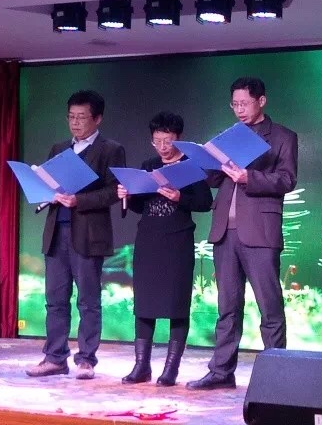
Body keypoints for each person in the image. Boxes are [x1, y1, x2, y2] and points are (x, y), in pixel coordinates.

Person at [186, 77, 298, 391]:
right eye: (234, 104)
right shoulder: (229, 137)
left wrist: (249, 176)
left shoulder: (283, 136)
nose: (239, 110)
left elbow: (287, 179)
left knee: (269, 306)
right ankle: (221, 372)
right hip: (225, 232)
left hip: (260, 231)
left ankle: (276, 376)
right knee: (227, 307)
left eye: (244, 103)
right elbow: (212, 180)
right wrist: (206, 162)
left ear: (261, 101)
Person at [26, 90, 126, 380]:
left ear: (98, 118)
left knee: (88, 300)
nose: (75, 123)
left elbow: (114, 191)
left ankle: (86, 360)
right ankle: (55, 357)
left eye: (82, 117)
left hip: (88, 233)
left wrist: (78, 200)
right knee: (55, 299)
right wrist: (47, 192)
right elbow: (48, 184)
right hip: (57, 232)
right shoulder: (59, 148)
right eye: (71, 117)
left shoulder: (110, 149)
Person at [118, 112, 213, 387]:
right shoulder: (149, 166)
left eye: (167, 140)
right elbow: (140, 206)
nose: (162, 146)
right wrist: (128, 195)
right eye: (157, 141)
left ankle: (171, 369)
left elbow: (205, 202)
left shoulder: (191, 166)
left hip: (177, 242)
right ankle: (141, 366)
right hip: (148, 240)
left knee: (177, 304)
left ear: (178, 139)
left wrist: (179, 197)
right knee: (144, 304)